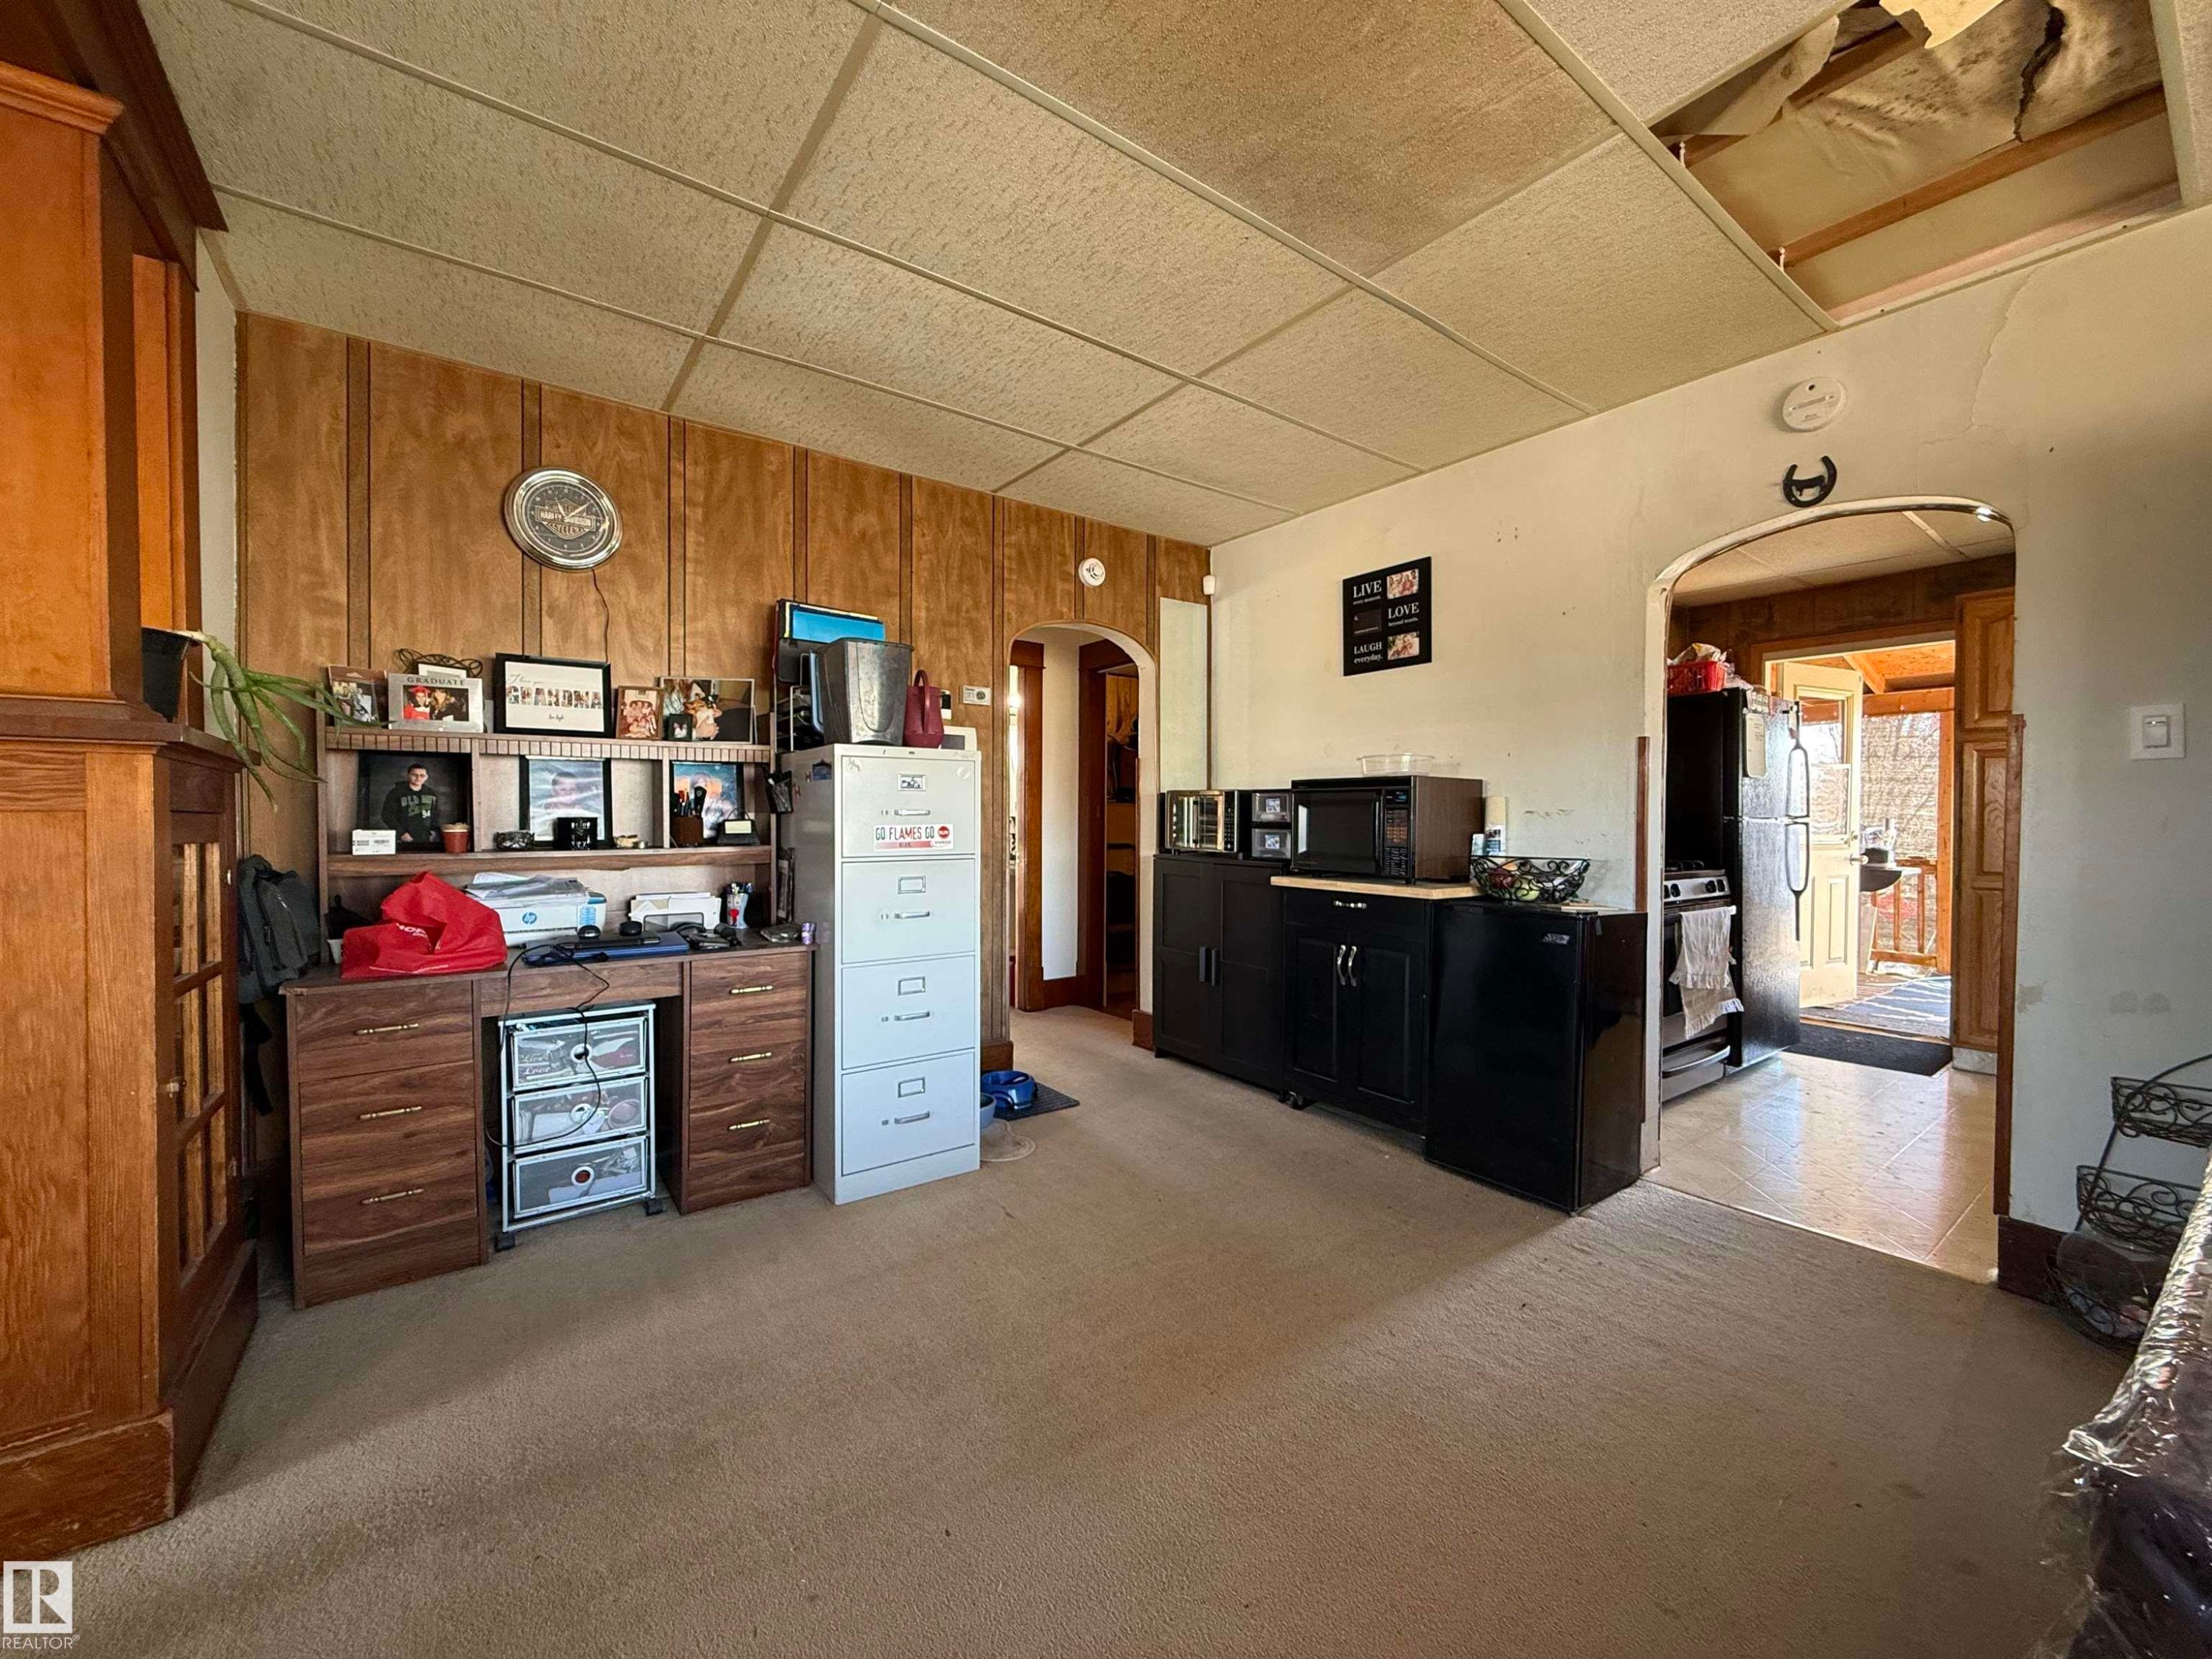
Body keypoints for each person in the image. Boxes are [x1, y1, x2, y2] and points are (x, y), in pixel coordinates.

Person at [380, 763, 440, 847]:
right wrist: (400, 833)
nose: (418, 778)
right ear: (408, 775)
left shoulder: (431, 793)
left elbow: (436, 814)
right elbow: (387, 815)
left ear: (426, 777)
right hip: (403, 838)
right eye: (414, 775)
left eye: (422, 775)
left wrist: (434, 831)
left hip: (426, 838)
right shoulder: (396, 792)